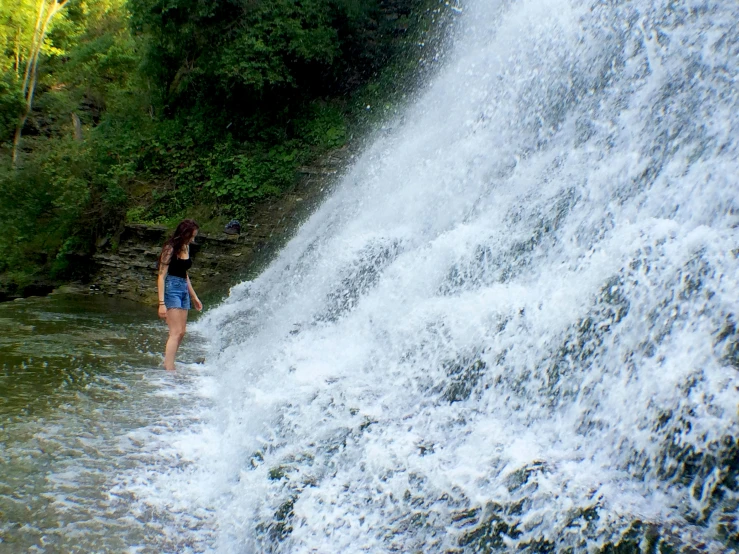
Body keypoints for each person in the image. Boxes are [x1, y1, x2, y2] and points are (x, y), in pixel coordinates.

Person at [157, 219, 203, 370]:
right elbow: (161, 276)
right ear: (184, 233)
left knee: (182, 332)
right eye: (192, 236)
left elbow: (185, 274)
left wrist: (194, 296)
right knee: (175, 332)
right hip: (172, 288)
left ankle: (169, 362)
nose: (193, 239)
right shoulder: (170, 248)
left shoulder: (186, 247)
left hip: (183, 289)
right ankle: (169, 368)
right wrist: (161, 303)